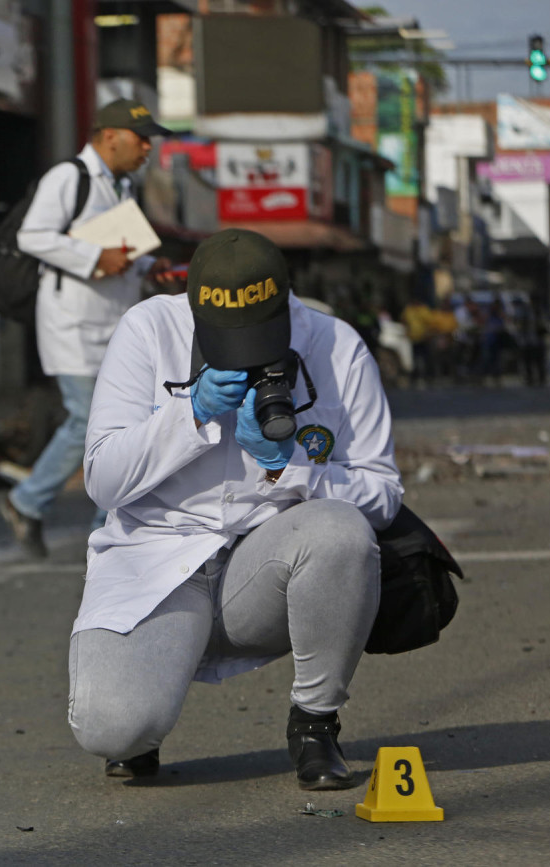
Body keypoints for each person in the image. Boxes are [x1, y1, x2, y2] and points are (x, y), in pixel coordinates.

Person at [68, 228, 402, 791]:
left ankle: (315, 723)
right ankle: (143, 723)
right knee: (113, 730)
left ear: (286, 302)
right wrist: (188, 416)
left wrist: (288, 463)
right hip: (158, 563)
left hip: (264, 567)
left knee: (341, 531)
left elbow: (384, 495)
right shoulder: (149, 329)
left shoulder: (338, 345)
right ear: (193, 307)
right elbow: (102, 479)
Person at [0, 98, 175, 559]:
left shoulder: (122, 187)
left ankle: (103, 520)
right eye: (141, 139)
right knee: (85, 422)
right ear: (109, 136)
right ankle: (30, 502)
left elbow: (125, 254)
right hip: (72, 324)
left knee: (123, 424)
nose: (147, 148)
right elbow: (32, 237)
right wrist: (95, 258)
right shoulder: (69, 178)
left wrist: (154, 268)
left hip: (114, 323)